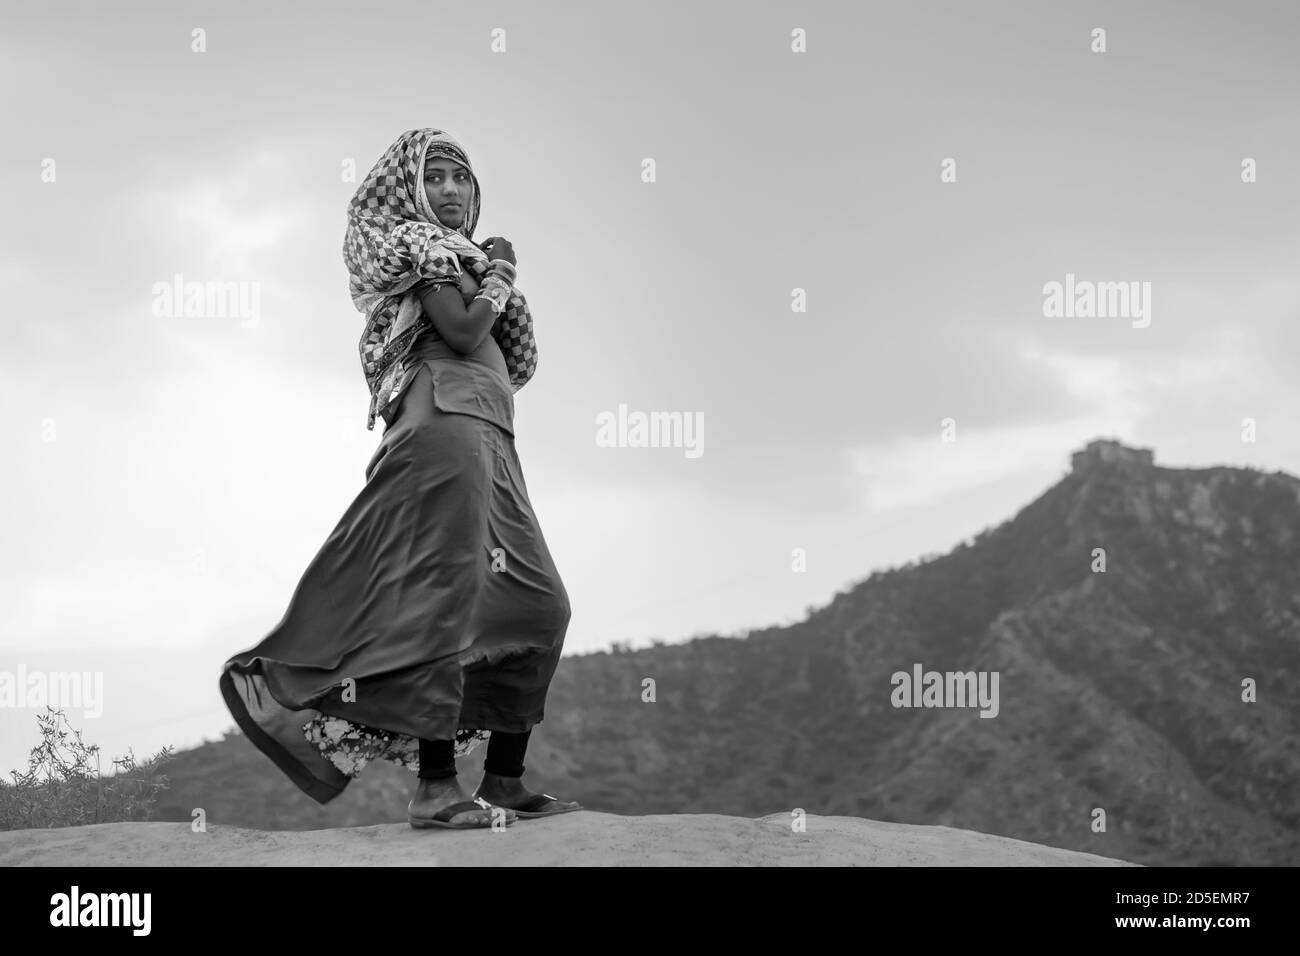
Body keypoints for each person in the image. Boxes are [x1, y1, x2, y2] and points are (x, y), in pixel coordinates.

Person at [218, 128, 580, 830]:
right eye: (436, 176)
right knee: (441, 602)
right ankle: (438, 788)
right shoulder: (426, 254)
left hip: (491, 439)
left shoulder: (460, 258)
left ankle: (504, 779)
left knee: (538, 606)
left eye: (462, 178)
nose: (451, 190)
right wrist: (502, 269)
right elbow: (468, 332)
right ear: (411, 190)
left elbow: (505, 353)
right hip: (443, 428)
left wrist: (493, 272)